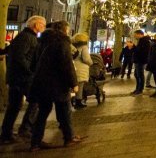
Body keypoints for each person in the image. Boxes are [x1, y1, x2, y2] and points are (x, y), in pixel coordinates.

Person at [29, 21, 84, 150]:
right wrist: (73, 83)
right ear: (65, 30)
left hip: (42, 83)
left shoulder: (42, 41)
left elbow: (33, 63)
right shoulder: (62, 42)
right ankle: (69, 137)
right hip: (58, 83)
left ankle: (35, 142)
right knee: (64, 111)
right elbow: (66, 64)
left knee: (42, 112)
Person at [1, 15, 45, 144]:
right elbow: (20, 57)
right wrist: (30, 72)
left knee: (14, 106)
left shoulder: (24, 36)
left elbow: (11, 51)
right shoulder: (27, 37)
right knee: (36, 100)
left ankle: (6, 134)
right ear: (35, 25)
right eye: (42, 24)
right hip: (22, 78)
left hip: (17, 77)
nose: (43, 27)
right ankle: (25, 128)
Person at [71, 33, 92, 108]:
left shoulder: (72, 46)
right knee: (80, 85)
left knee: (75, 84)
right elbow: (86, 58)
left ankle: (75, 100)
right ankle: (78, 102)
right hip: (81, 68)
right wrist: (91, 63)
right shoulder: (84, 47)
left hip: (73, 67)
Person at [131, 29, 152, 95]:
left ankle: (140, 89)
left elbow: (141, 51)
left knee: (140, 75)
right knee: (137, 75)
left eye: (135, 35)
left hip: (140, 60)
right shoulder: (141, 41)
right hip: (138, 60)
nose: (135, 36)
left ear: (140, 34)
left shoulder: (145, 41)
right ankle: (138, 88)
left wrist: (133, 47)